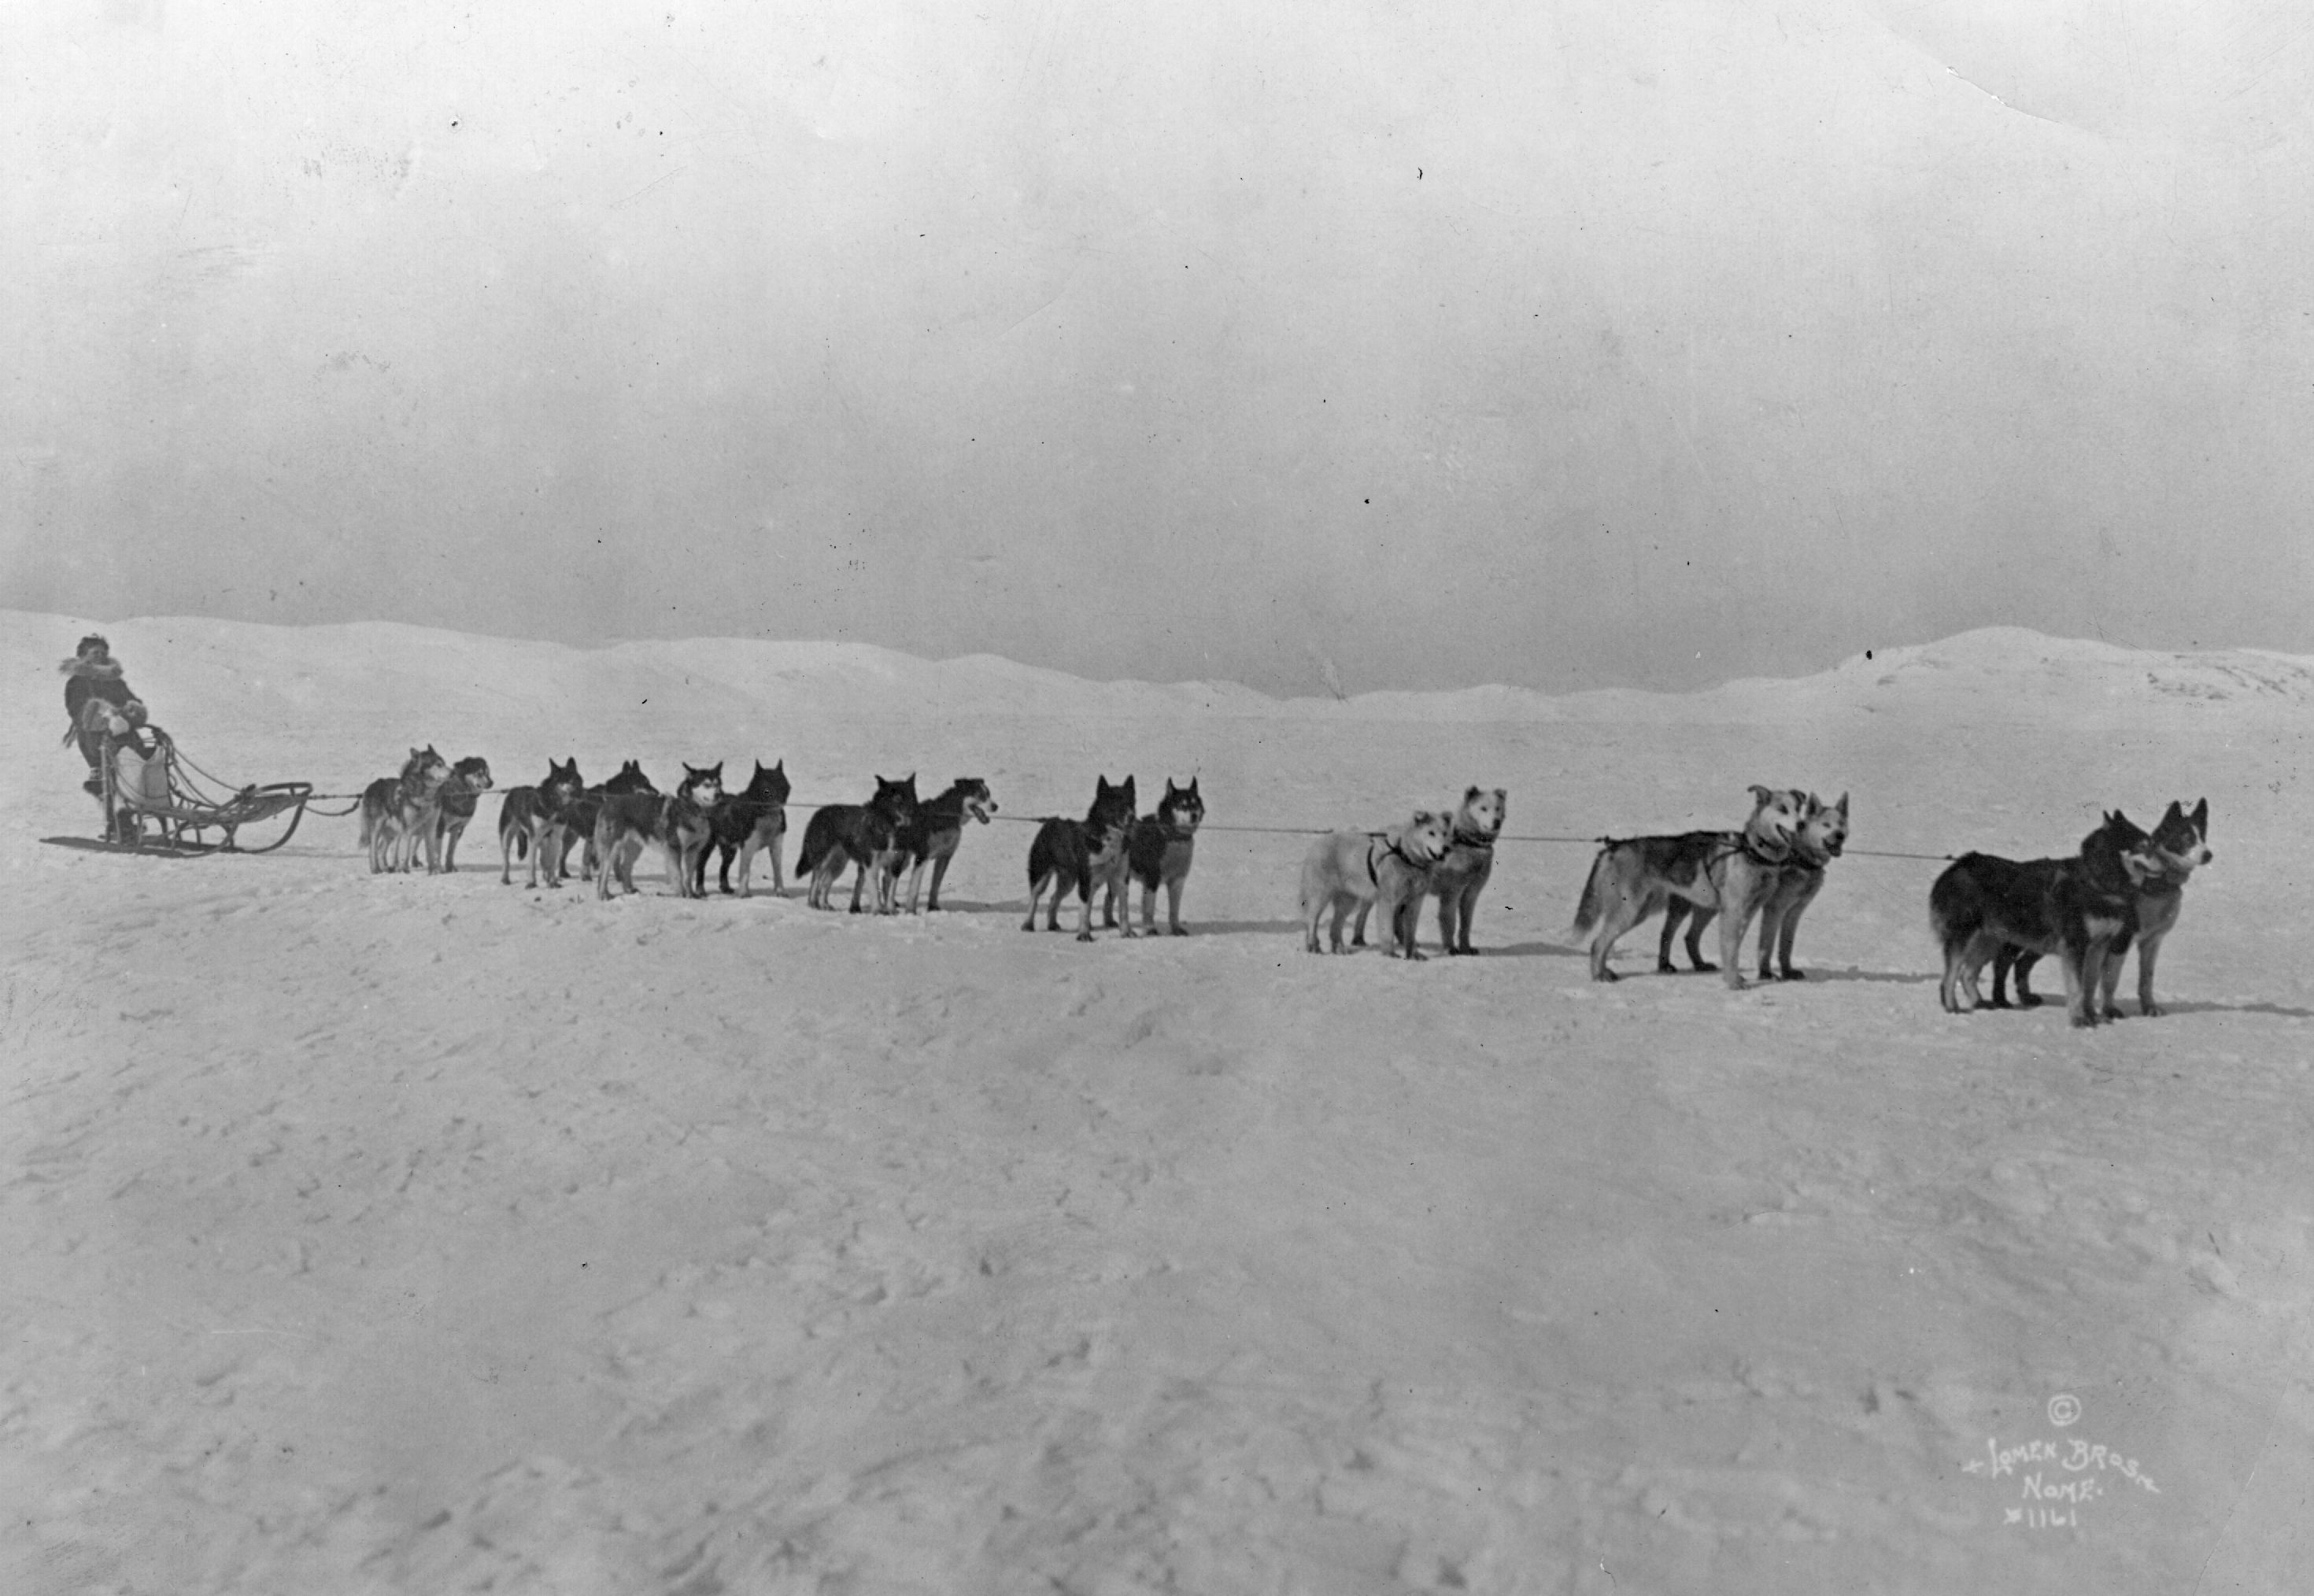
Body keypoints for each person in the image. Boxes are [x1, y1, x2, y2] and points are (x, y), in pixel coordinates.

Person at [59, 634, 146, 801]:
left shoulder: (116, 682)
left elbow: (131, 700)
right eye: (95, 652)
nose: (100, 656)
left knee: (142, 760)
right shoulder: (77, 682)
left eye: (103, 652)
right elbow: (76, 709)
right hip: (95, 735)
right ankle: (115, 806)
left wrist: (133, 709)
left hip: (123, 732)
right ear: (84, 656)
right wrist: (101, 714)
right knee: (109, 768)